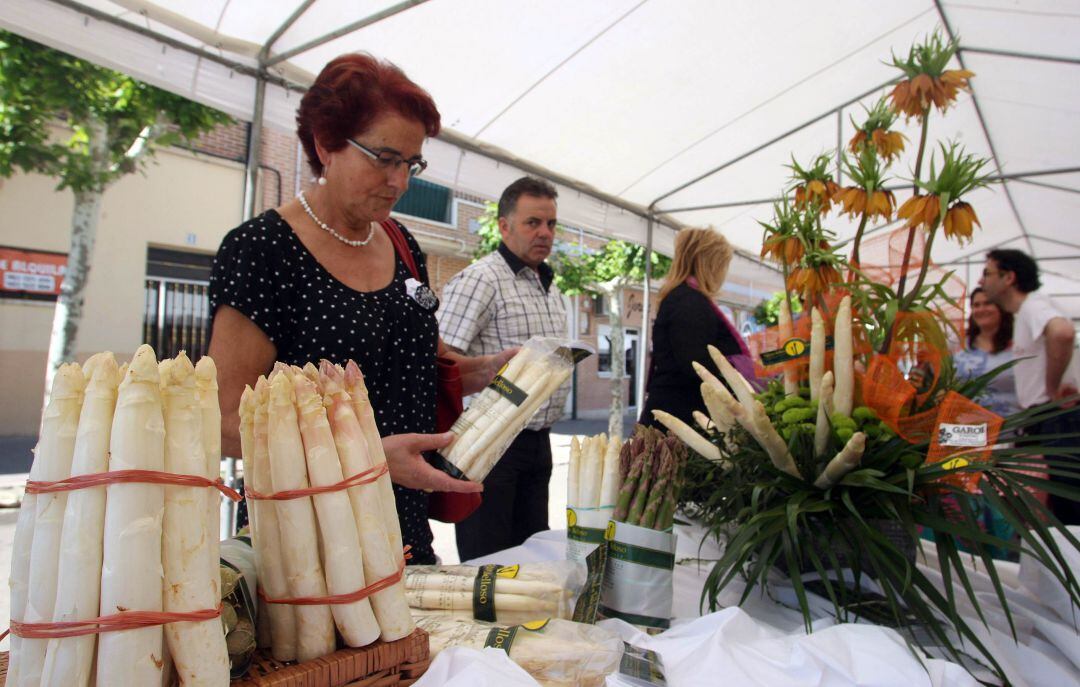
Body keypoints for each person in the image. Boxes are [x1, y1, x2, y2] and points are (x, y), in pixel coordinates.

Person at [207, 53, 512, 564]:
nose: (400, 181)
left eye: (411, 164)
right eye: (384, 158)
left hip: (405, 532)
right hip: (307, 546)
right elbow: (223, 419)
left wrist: (486, 372)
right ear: (326, 144)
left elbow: (417, 360)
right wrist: (367, 455)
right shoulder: (262, 249)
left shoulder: (402, 242)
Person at [437, 176, 570, 561]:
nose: (545, 233)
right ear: (504, 225)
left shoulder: (549, 286)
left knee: (532, 557)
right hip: (489, 443)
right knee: (488, 562)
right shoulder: (481, 279)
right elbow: (441, 362)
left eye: (551, 224)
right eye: (533, 222)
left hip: (538, 441)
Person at [979, 248, 1080, 524]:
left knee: (1068, 507)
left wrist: (1052, 388)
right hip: (1047, 418)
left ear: (1008, 277)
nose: (981, 281)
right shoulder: (1025, 312)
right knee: (1057, 506)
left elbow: (1063, 332)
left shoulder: (1034, 305)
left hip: (1056, 417)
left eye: (987, 273)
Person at [639, 227, 751, 429]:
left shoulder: (684, 298)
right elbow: (696, 364)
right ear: (710, 264)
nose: (723, 273)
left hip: (678, 412)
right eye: (723, 264)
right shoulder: (689, 302)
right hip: (682, 417)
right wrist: (738, 370)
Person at [953, 287, 1019, 417]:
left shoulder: (1019, 344)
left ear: (1002, 308)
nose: (981, 309)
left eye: (988, 303)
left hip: (1012, 427)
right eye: (976, 305)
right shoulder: (957, 344)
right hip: (964, 429)